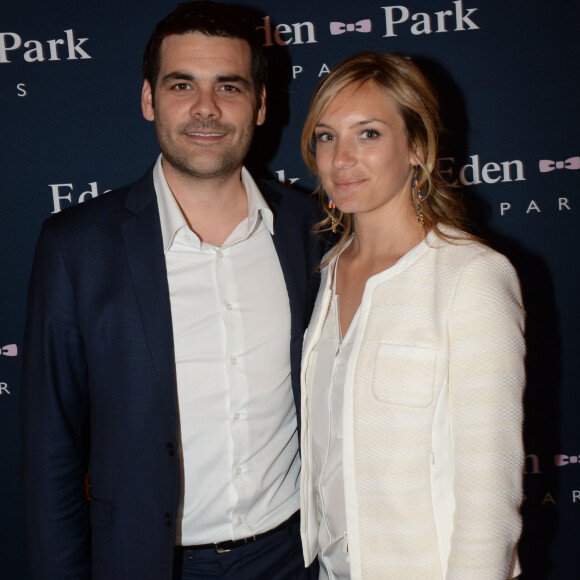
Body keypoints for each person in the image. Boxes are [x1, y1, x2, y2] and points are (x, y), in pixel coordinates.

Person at [20, 2, 322, 579]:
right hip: (150, 564)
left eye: (228, 87)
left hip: (294, 557)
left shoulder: (311, 229)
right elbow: (49, 452)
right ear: (148, 99)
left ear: (260, 106)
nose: (205, 108)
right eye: (182, 84)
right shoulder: (76, 246)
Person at [299, 52, 525, 579]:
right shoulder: (332, 272)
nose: (341, 159)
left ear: (417, 149)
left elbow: (489, 505)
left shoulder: (471, 277)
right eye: (327, 136)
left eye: (369, 134)